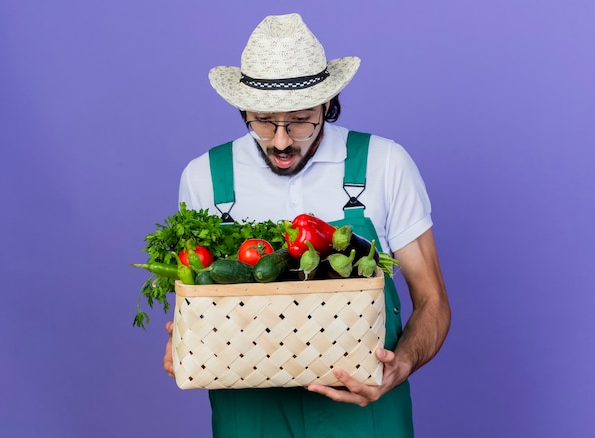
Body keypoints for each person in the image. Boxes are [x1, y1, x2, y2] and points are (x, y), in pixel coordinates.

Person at [163, 13, 451, 437]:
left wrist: (400, 365)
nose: (281, 140)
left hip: (360, 405)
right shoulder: (204, 176)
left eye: (300, 120)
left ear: (327, 105)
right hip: (249, 412)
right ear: (243, 108)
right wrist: (183, 340)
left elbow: (433, 301)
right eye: (262, 120)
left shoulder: (384, 164)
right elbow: (196, 305)